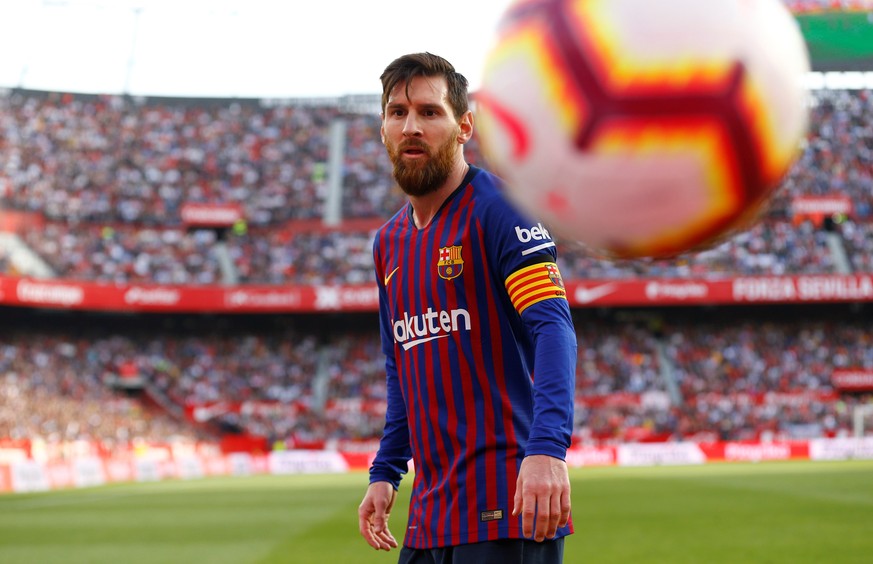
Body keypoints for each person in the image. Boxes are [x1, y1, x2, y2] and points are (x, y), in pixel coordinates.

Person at [357, 52, 577, 564]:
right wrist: (387, 470)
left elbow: (553, 330)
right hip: (429, 514)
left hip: (508, 500)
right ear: (384, 128)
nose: (411, 126)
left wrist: (547, 450)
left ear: (464, 127)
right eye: (398, 112)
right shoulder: (388, 243)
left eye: (430, 112)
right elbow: (402, 366)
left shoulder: (502, 211)